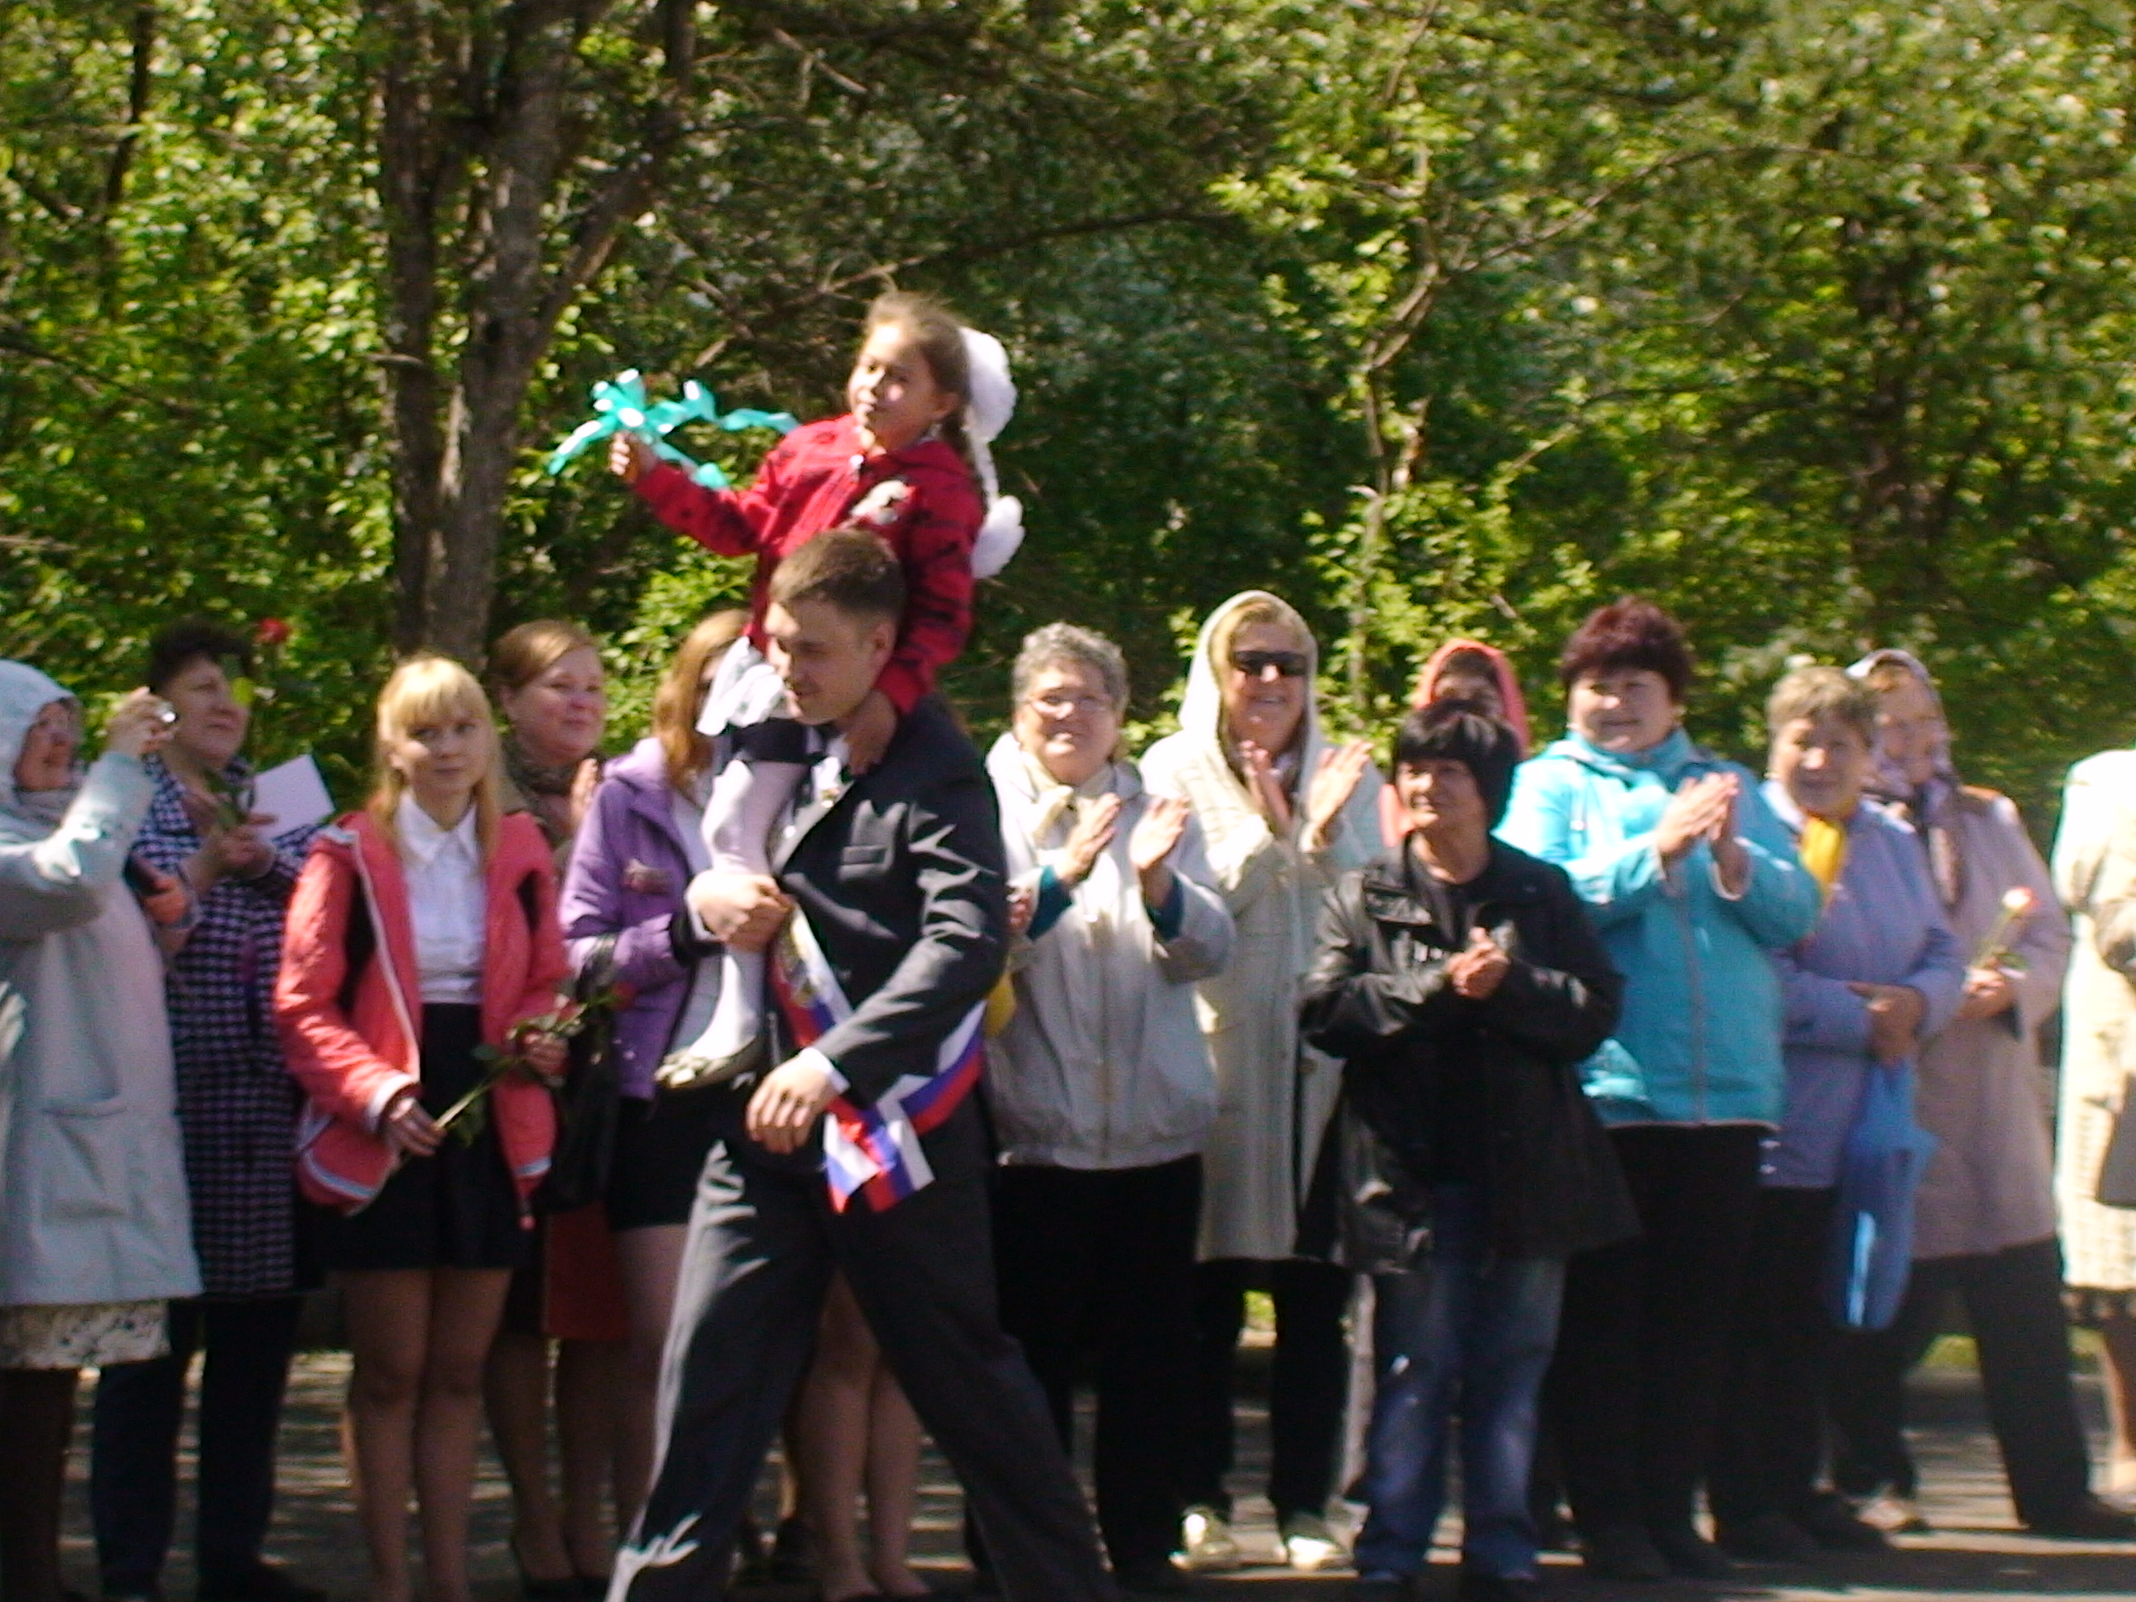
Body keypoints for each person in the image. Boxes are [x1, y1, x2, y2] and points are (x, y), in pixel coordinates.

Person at [608, 529, 1113, 1602]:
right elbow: (717, 862)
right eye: (779, 643)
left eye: (815, 651)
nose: (788, 668)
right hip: (761, 1129)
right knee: (705, 1391)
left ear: (883, 645)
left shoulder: (937, 766)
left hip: (896, 1138)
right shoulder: (765, 730)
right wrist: (707, 898)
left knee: (971, 1394)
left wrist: (837, 1063)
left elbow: (963, 944)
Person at [611, 292, 1020, 1087]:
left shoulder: (941, 490)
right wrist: (660, 481)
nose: (874, 388)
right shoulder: (809, 448)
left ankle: (820, 1027)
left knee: (788, 842)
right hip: (775, 679)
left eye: (899, 378)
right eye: (868, 367)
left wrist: (888, 696)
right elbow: (739, 526)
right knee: (731, 826)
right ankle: (740, 1011)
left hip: (860, 698)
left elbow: (943, 616)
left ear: (941, 403)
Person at [1497, 598, 1819, 1582]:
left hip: (1727, 1098)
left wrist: (1734, 859)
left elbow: (1796, 911)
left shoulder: (1727, 783)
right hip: (1612, 1094)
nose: (1614, 703)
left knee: (1696, 1326)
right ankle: (1610, 1519)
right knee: (1606, 1323)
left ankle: (1674, 1517)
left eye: (1635, 686)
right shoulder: (1550, 783)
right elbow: (1532, 895)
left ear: (1674, 699)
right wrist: (1657, 852)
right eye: (1596, 686)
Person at [1300, 701, 1633, 1602]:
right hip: (1407, 1177)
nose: (1425, 786)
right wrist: (1437, 986)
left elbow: (1596, 1011)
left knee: (1512, 1370)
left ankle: (1502, 1549)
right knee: (1414, 1370)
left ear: (1489, 790)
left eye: (1448, 771)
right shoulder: (1364, 891)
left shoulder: (1540, 891)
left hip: (1529, 1174)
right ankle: (1390, 1552)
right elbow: (1325, 1011)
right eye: (1413, 768)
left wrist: (1511, 984)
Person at [276, 655, 571, 1602]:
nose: (447, 749)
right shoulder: (347, 851)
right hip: (388, 1115)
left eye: (464, 729)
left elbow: (549, 977)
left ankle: (450, 1580)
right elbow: (303, 1004)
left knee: (457, 1371)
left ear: (489, 739)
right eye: (425, 732)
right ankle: (389, 1582)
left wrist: (543, 1033)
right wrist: (376, 1096)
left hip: (489, 1104)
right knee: (391, 1371)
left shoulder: (519, 845)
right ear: (392, 748)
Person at [1825, 650, 2134, 1539]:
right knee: (1885, 1307)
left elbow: (2050, 936)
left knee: (2023, 1305)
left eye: (1926, 720)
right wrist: (1920, 998)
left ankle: (2055, 1489)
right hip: (1896, 1086)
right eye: (1892, 725)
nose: (1914, 739)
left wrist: (2015, 990)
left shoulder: (1986, 817)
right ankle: (1873, 1479)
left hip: (1993, 1099)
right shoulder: (1842, 830)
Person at [985, 623, 1234, 1589]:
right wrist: (1058, 882)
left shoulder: (1159, 807)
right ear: (1019, 711)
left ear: (1121, 715)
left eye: (1091, 698)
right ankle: (1026, 1553)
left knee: (1151, 1364)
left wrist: (1162, 885)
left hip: (1152, 1136)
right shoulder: (984, 806)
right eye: (1051, 697)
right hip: (1034, 1140)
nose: (1070, 715)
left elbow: (1211, 950)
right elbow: (975, 954)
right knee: (1029, 1364)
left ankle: (1142, 1546)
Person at [1140, 590, 1380, 1574]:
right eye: (1251, 662)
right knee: (1202, 1302)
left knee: (1315, 1305)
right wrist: (1271, 838)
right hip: (1212, 1067)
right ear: (1217, 671)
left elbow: (1379, 913)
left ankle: (1305, 1507)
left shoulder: (1348, 770)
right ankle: (1197, 1499)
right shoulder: (1171, 768)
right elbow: (1176, 919)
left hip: (1318, 1078)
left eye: (1290, 663)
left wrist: (1319, 836)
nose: (1272, 681)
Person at [1707, 667, 1964, 1562]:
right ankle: (1746, 1500)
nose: (1819, 761)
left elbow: (1943, 949)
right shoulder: (1749, 835)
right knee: (1762, 1323)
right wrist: (1865, 1019)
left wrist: (1919, 1005)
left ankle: (1800, 1485)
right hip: (1772, 1123)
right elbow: (1751, 972)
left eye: (1839, 744)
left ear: (1867, 754)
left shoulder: (1890, 840)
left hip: (1865, 1123)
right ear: (1773, 746)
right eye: (1802, 741)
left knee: (1822, 1323)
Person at [90, 624, 325, 1602]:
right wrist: (204, 867)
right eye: (201, 687)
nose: (225, 704)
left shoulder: (287, 799)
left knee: (255, 1356)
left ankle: (233, 1557)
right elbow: (106, 926)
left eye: (235, 688)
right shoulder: (120, 802)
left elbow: (338, 912)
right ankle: (130, 1567)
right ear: (160, 708)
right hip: (161, 1108)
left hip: (265, 1115)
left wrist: (259, 861)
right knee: (147, 1354)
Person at [0, 669, 199, 1602]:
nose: (60, 744)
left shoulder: (78, 828)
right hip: (32, 1159)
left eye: (66, 726)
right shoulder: (26, 845)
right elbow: (66, 886)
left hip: (93, 1144)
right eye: (35, 728)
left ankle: (35, 1569)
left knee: (48, 1388)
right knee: (25, 1392)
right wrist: (121, 767)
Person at [557, 611, 746, 1539]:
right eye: (711, 680)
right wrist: (684, 932)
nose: (730, 699)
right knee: (662, 1340)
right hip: (658, 1091)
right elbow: (579, 957)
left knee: (750, 1342)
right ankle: (651, 1549)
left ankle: (729, 1532)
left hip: (770, 1087)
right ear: (682, 687)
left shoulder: (808, 785)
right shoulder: (628, 794)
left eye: (749, 679)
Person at [487, 619, 622, 1596]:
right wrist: (574, 840)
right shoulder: (478, 794)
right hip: (511, 1079)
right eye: (557, 687)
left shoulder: (626, 790)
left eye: (593, 687)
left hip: (608, 1086)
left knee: (598, 1316)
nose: (580, 704)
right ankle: (533, 1520)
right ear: (506, 700)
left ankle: (588, 1515)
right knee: (518, 1321)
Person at [2052, 725, 2136, 1499]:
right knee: (2123, 1268)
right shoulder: (2108, 782)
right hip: (2124, 1058)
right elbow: (2098, 902)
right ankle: (2131, 1440)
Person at [1376, 641, 1533, 850]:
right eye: (1448, 699)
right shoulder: (1401, 792)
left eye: (1480, 700)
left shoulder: (1536, 786)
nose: (1463, 715)